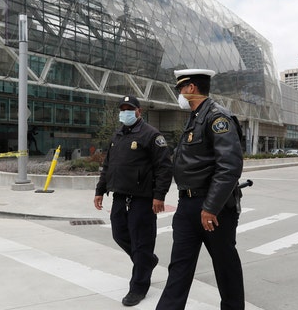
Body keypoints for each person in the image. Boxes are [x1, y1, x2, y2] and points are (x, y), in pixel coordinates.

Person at [156, 69, 245, 310]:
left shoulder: (218, 118)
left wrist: (211, 207)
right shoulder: (195, 118)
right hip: (187, 205)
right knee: (179, 267)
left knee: (225, 266)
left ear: (191, 88)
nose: (180, 94)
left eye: (180, 89)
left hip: (213, 208)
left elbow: (229, 167)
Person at [93, 95, 173, 307]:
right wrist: (100, 190)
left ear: (139, 111)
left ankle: (138, 287)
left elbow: (164, 168)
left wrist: (159, 196)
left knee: (141, 242)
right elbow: (108, 165)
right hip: (119, 196)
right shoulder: (117, 135)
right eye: (123, 108)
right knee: (119, 235)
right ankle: (147, 260)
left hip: (143, 199)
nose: (125, 112)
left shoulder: (151, 135)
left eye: (130, 108)